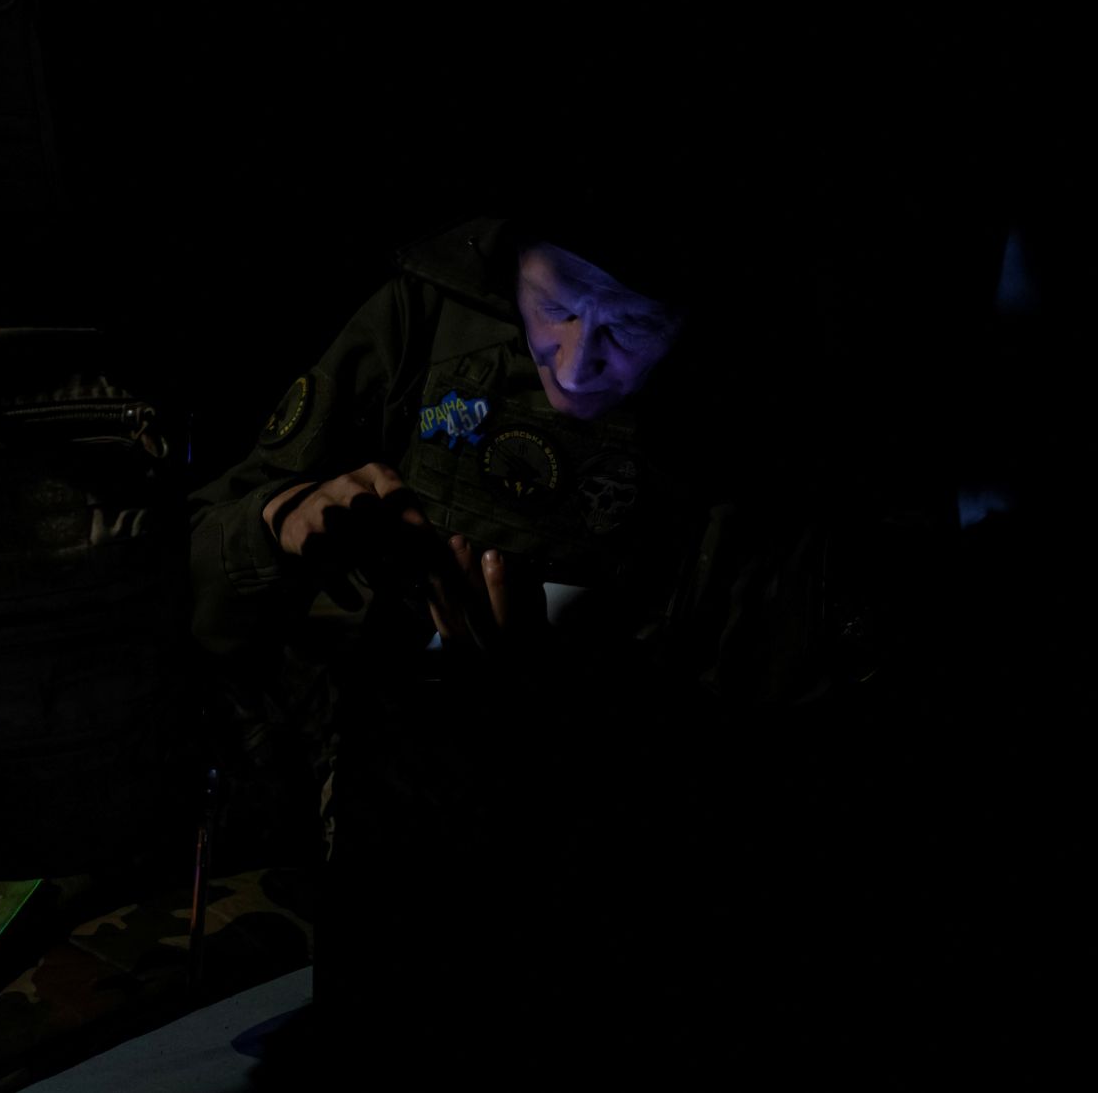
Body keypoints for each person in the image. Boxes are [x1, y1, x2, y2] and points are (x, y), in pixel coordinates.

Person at [190, 198, 909, 1086]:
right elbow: (197, 571)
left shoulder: (765, 407)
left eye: (630, 327)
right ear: (508, 259)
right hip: (384, 841)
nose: (575, 364)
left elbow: (793, 767)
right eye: (556, 304)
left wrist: (553, 704)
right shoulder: (428, 313)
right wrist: (278, 521)